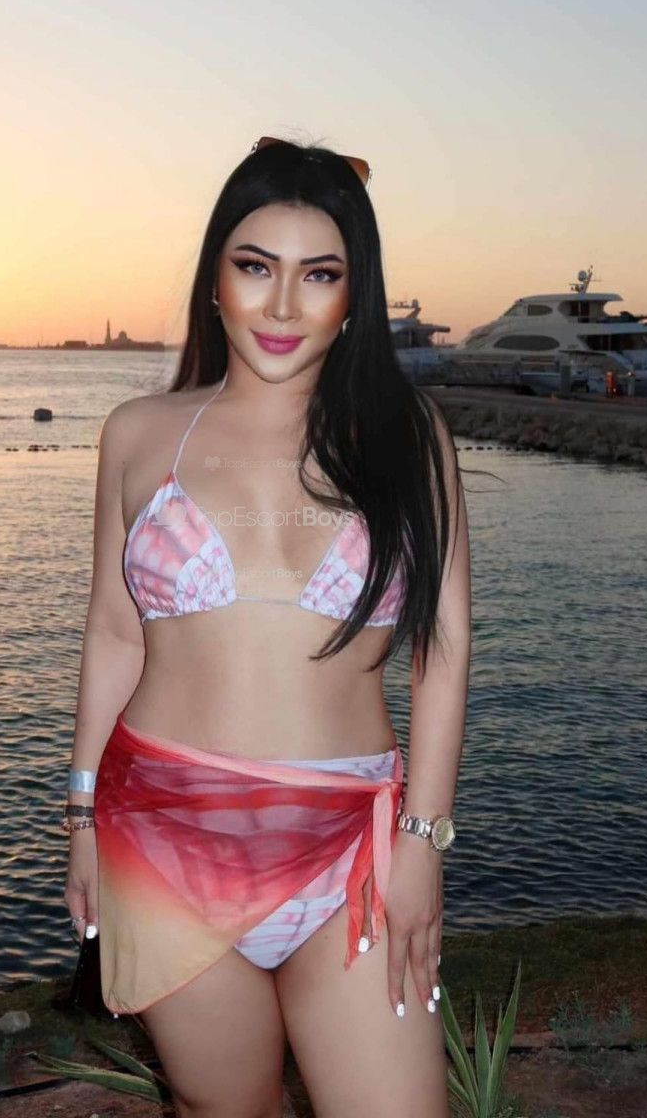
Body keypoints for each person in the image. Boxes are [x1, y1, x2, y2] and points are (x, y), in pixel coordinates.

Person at [63, 136, 471, 1118]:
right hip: (158, 836)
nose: (282, 306)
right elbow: (114, 634)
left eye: (318, 274)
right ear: (215, 280)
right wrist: (78, 817)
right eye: (255, 267)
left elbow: (443, 648)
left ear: (354, 294)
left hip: (351, 848)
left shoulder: (408, 436)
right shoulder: (139, 432)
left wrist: (422, 843)